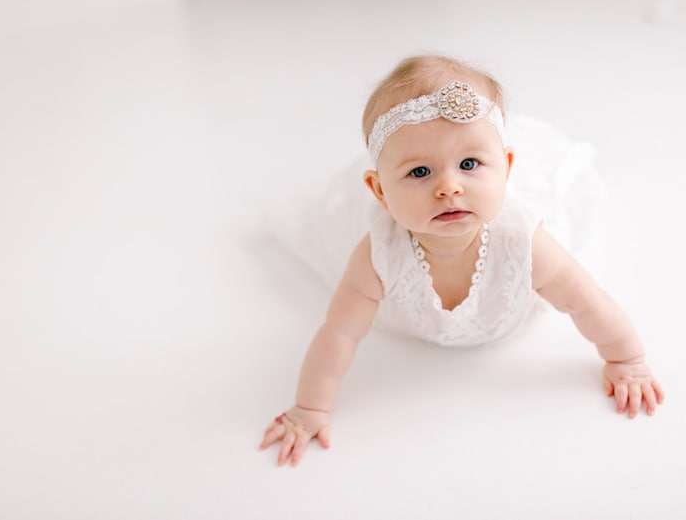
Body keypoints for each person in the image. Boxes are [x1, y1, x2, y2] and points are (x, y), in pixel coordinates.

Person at [259, 55, 665, 467]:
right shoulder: (377, 255)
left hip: (509, 320)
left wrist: (626, 360)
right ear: (380, 192)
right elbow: (340, 333)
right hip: (411, 324)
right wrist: (310, 409)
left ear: (505, 169)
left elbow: (585, 301)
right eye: (419, 172)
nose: (449, 187)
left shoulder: (524, 242)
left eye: (469, 164)